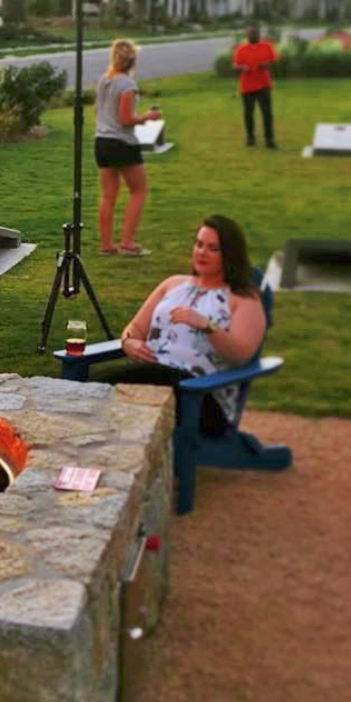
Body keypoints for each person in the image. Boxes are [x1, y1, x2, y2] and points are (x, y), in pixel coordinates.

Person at [103, 215, 267, 435]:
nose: (201, 252)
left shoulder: (243, 299)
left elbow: (241, 355)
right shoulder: (173, 285)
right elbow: (135, 328)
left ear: (229, 254)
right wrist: (128, 342)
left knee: (110, 397)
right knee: (93, 393)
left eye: (212, 248)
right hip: (153, 376)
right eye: (199, 244)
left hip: (200, 396)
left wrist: (206, 325)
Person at [94, 38, 162, 257]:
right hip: (122, 142)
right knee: (139, 190)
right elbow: (125, 119)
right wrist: (147, 117)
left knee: (108, 195)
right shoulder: (127, 85)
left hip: (102, 140)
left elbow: (100, 111)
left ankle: (106, 244)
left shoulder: (104, 80)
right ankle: (127, 242)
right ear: (132, 61)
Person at [232, 24, 278, 148]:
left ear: (259, 35)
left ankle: (269, 139)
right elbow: (236, 66)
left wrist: (266, 65)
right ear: (247, 36)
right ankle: (250, 138)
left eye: (255, 34)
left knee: (267, 113)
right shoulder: (242, 49)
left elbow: (273, 62)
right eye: (251, 34)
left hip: (263, 85)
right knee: (248, 114)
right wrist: (242, 68)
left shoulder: (267, 46)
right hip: (247, 87)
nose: (253, 36)